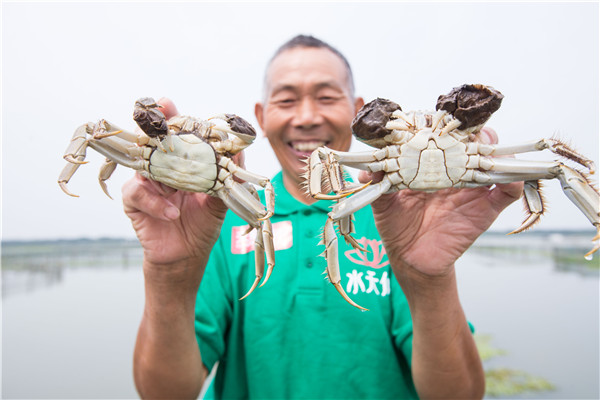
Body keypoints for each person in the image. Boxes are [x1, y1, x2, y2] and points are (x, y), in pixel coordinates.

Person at [126, 35, 523, 399]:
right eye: (286, 100)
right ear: (260, 118)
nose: (306, 117)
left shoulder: (401, 216)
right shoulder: (217, 220)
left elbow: (458, 395)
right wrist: (169, 274)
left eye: (327, 98)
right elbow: (165, 394)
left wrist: (429, 279)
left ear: (358, 111)